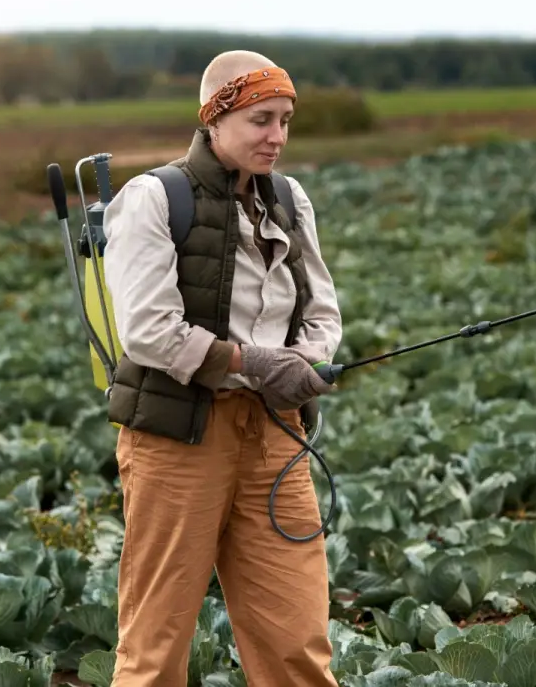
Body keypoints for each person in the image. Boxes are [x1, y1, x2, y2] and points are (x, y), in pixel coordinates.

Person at [99, 50, 343, 686]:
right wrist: (256, 363)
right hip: (179, 440)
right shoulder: (152, 198)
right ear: (215, 118)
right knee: (156, 647)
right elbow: (149, 331)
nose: (278, 137)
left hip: (274, 438)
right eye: (262, 119)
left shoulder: (290, 199)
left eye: (287, 120)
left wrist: (308, 364)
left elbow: (321, 309)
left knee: (297, 641)